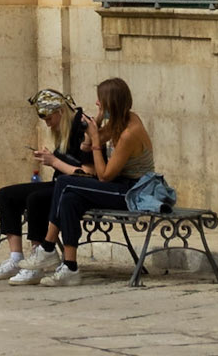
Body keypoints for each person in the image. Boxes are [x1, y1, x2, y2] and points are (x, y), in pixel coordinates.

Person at [19, 77, 156, 286]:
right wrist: (98, 121)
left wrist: (95, 139)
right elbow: (88, 144)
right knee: (69, 198)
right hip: (120, 185)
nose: (97, 104)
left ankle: (47, 247)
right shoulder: (120, 121)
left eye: (101, 102)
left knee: (65, 182)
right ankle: (70, 267)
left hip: (133, 192)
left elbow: (104, 176)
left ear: (111, 104)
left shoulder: (130, 132)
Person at [0, 89, 94, 279]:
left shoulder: (82, 127)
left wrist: (54, 161)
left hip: (75, 189)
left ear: (60, 112)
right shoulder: (63, 130)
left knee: (36, 199)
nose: (48, 124)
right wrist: (50, 158)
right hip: (60, 183)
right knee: (6, 195)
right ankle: (16, 258)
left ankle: (37, 262)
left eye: (49, 119)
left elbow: (88, 174)